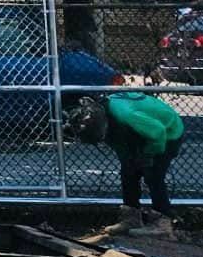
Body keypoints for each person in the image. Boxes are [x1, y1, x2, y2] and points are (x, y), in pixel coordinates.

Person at [70, 90, 185, 236]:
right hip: (142, 132)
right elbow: (118, 143)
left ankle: (162, 223)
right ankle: (131, 219)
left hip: (167, 132)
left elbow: (158, 132)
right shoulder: (107, 116)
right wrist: (129, 159)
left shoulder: (127, 116)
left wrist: (148, 154)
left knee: (153, 175)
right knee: (128, 172)